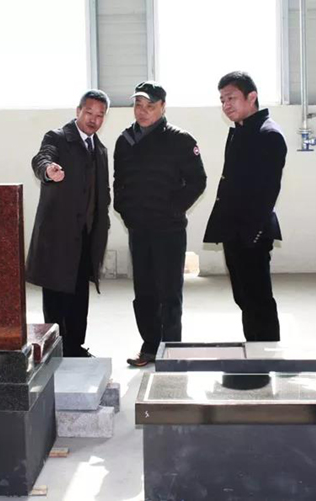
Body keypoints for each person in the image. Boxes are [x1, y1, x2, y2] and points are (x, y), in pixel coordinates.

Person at [114, 81, 207, 367]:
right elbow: (119, 181)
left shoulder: (180, 140)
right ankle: (150, 347)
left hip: (169, 230)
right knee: (144, 292)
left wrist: (173, 209)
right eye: (138, 105)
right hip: (138, 229)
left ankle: (173, 350)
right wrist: (124, 211)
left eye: (150, 106)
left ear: (163, 107)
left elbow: (198, 181)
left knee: (169, 292)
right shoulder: (125, 140)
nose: (142, 111)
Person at [26, 90, 111, 357]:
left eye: (100, 115)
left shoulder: (100, 150)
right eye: (89, 113)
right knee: (56, 295)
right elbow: (42, 158)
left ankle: (75, 347)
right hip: (58, 234)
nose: (93, 120)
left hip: (86, 235)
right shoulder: (57, 138)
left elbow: (102, 192)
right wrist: (48, 170)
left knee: (79, 295)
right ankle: (55, 349)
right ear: (78, 111)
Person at [203, 71, 287, 342]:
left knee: (258, 300)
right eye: (222, 100)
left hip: (252, 233)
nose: (226, 105)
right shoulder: (242, 131)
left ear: (252, 97)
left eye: (231, 98)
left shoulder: (268, 134)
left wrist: (252, 235)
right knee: (245, 298)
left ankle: (267, 354)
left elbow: (267, 192)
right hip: (234, 231)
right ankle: (255, 349)